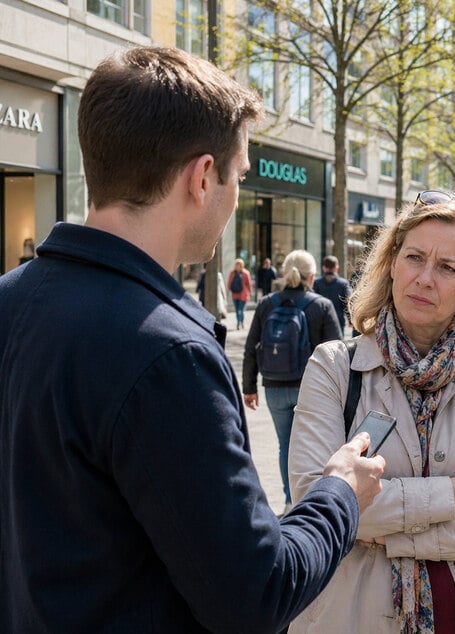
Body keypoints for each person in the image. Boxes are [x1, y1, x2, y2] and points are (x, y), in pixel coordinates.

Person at [0, 46, 386, 633]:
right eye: (240, 176)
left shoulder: (11, 299)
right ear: (203, 178)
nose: (236, 194)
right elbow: (257, 592)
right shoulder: (168, 353)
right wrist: (340, 493)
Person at [287, 189, 455, 633]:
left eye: (447, 268)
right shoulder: (334, 367)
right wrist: (454, 494)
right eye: (415, 258)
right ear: (391, 263)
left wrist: (386, 531)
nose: (424, 279)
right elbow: (314, 501)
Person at [243, 250, 343, 511]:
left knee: (285, 446)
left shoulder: (266, 303)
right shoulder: (321, 306)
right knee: (315, 447)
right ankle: (310, 501)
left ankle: (289, 501)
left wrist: (249, 387)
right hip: (311, 388)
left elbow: (251, 347)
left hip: (274, 386)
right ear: (312, 276)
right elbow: (338, 352)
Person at [313, 254, 353, 333]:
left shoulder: (316, 283)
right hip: (338, 321)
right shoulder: (343, 283)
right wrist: (350, 319)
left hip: (320, 321)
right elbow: (348, 302)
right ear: (336, 268)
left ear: (324, 268)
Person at [227, 257, 253, 329]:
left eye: (239, 265)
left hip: (243, 295)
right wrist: (229, 289)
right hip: (235, 295)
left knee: (240, 310)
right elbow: (229, 283)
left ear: (242, 265)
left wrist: (250, 292)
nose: (237, 266)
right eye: (236, 265)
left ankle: (241, 322)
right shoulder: (232, 273)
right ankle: (239, 322)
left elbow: (249, 283)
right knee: (237, 310)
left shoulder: (246, 273)